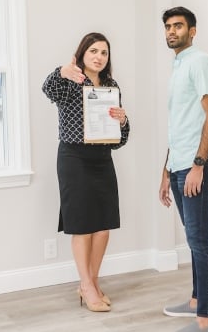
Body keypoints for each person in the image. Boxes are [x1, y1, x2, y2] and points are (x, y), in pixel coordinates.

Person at [42, 32, 130, 313]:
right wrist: (61, 71)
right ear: (82, 54)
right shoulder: (69, 81)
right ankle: (87, 285)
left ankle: (90, 282)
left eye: (104, 53)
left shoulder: (111, 86)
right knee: (82, 225)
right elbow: (48, 89)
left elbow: (119, 139)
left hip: (102, 159)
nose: (98, 57)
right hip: (74, 159)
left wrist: (124, 120)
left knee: (103, 227)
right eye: (93, 51)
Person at [158, 7, 208, 332]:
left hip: (197, 164)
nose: (172, 31)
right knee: (193, 238)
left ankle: (207, 320)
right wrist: (166, 171)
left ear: (192, 30)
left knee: (200, 239)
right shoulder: (179, 66)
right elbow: (180, 125)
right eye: (168, 27)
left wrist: (199, 165)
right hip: (180, 164)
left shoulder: (200, 62)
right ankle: (198, 301)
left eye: (178, 26)